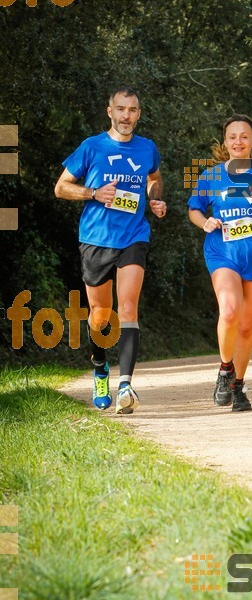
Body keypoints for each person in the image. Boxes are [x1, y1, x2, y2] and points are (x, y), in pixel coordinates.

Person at [54, 86, 166, 413]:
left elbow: (153, 178)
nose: (126, 116)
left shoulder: (147, 148)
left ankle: (126, 386)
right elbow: (61, 187)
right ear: (110, 111)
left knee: (128, 309)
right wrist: (93, 193)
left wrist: (156, 198)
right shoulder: (92, 147)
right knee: (101, 317)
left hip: (133, 236)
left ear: (139, 114)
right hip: (95, 238)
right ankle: (101, 368)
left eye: (132, 110)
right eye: (121, 109)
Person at [187, 114, 252, 411]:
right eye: (232, 136)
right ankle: (224, 369)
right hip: (222, 252)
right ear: (225, 142)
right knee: (230, 310)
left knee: (246, 326)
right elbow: (194, 209)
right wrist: (205, 222)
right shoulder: (210, 176)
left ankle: (239, 386)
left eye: (244, 136)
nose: (238, 142)